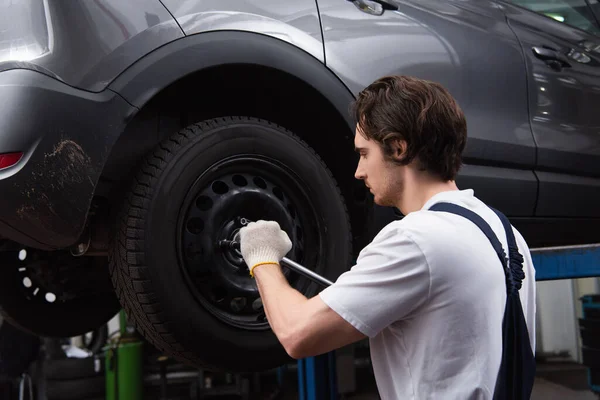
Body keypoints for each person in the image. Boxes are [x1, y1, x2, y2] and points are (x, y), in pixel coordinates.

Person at [238, 75, 536, 399]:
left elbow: (298, 333)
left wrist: (262, 256)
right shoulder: (507, 235)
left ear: (397, 147)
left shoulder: (415, 239)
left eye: (364, 153)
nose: (358, 171)